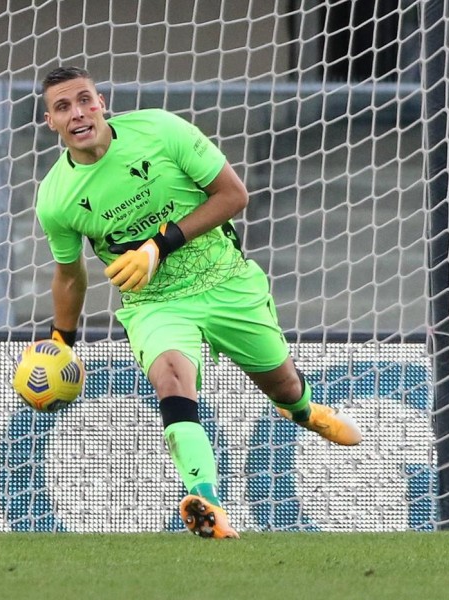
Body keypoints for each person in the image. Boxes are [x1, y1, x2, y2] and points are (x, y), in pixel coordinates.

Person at [35, 66, 362, 539]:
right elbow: (69, 274)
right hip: (156, 303)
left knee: (284, 385)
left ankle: (305, 412)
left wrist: (157, 245)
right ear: (51, 122)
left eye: (84, 99)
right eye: (63, 107)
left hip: (227, 280)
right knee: (171, 379)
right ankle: (205, 500)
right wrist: (61, 341)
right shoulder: (55, 198)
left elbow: (233, 195)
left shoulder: (161, 130)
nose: (78, 113)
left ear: (102, 101)